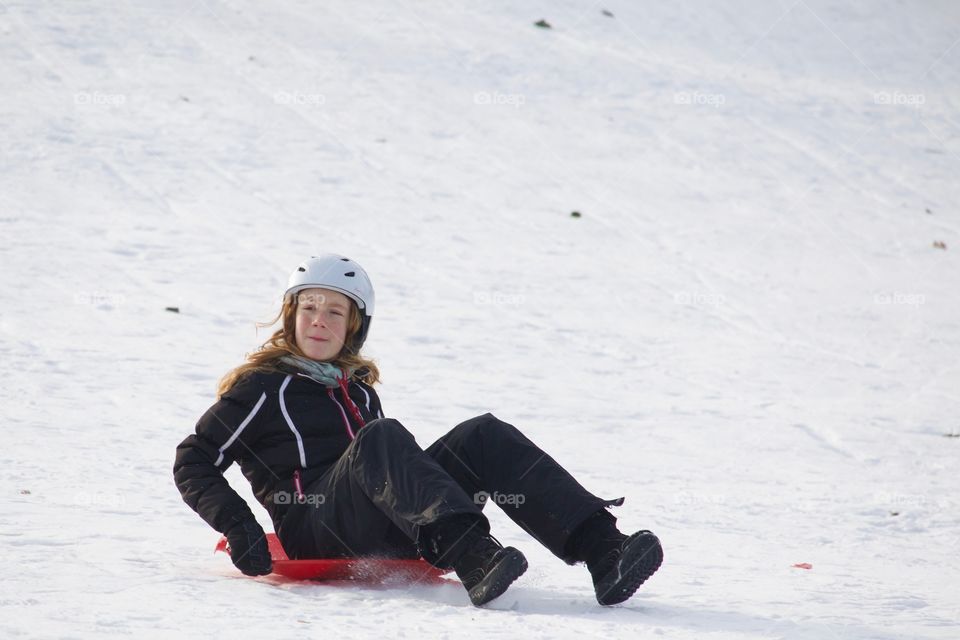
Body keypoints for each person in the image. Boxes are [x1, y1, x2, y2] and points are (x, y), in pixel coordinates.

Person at [173, 253, 663, 606]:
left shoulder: (360, 390)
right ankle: (473, 557)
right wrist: (239, 527)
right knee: (380, 439)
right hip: (312, 528)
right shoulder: (263, 387)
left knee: (482, 435)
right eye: (309, 308)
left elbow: (386, 473)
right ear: (291, 315)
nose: (319, 321)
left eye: (334, 311)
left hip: (382, 526)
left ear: (353, 326)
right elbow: (194, 458)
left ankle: (605, 551)